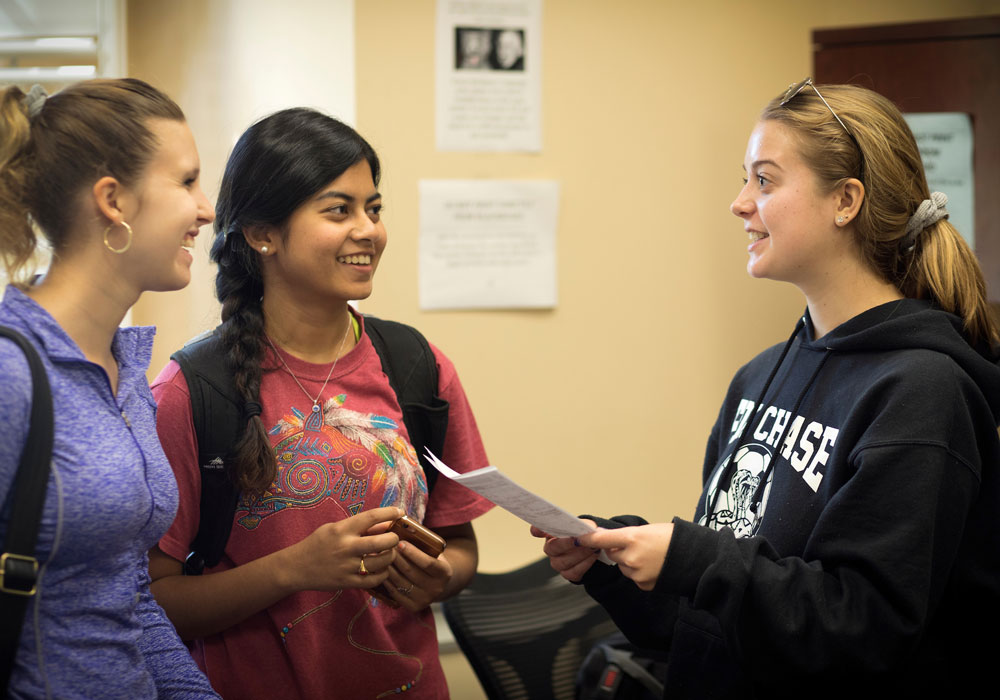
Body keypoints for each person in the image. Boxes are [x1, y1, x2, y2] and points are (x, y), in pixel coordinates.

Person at [534, 80, 1000, 696]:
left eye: (765, 180)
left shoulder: (923, 392)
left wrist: (693, 559)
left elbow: (863, 628)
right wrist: (620, 564)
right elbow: (710, 621)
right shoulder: (759, 376)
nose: (739, 203)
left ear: (846, 200)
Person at [148, 107, 494, 699]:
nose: (369, 230)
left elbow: (459, 547)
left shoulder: (418, 367)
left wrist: (436, 578)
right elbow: (156, 602)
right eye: (339, 210)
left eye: (374, 208)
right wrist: (294, 568)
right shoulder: (191, 393)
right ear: (262, 234)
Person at [0, 79, 218, 698]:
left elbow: (128, 595)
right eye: (186, 182)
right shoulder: (11, 372)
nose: (206, 209)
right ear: (113, 200)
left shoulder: (127, 374)